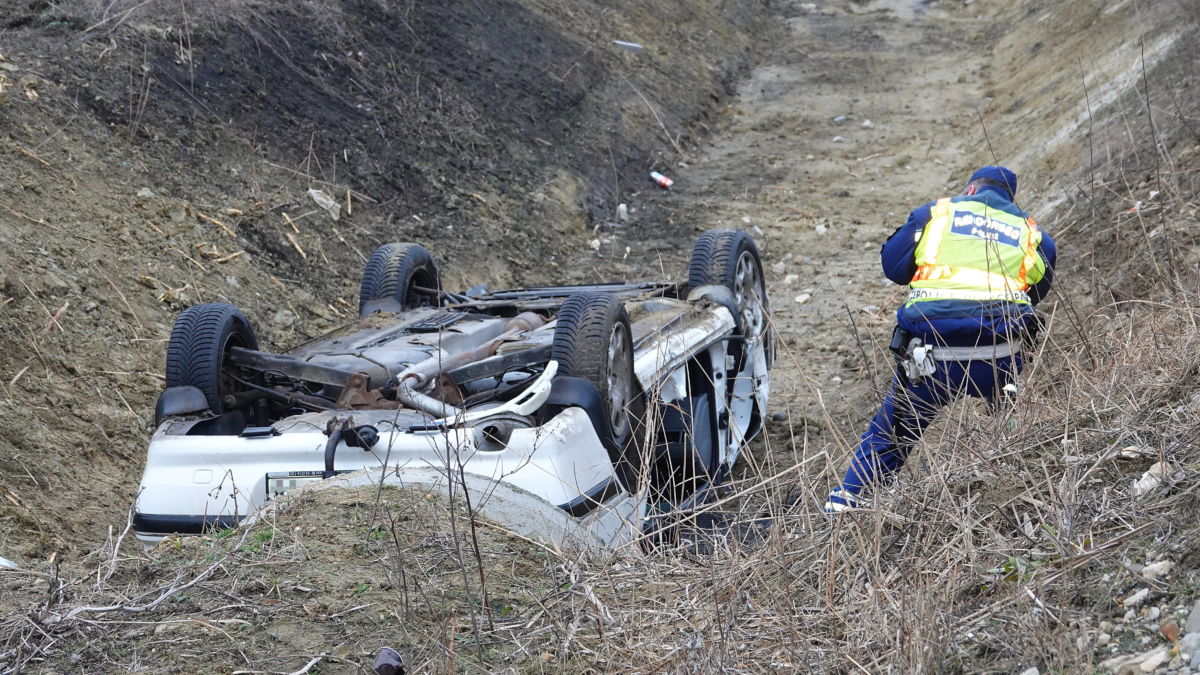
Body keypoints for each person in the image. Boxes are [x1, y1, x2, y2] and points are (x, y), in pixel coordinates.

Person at [824, 166, 1056, 513]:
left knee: (890, 435)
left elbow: (893, 267)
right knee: (1011, 408)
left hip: (931, 361)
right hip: (1000, 360)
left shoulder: (934, 215)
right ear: (1010, 198)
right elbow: (1034, 293)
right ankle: (1009, 469)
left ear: (971, 189)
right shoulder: (1034, 234)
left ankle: (848, 504)